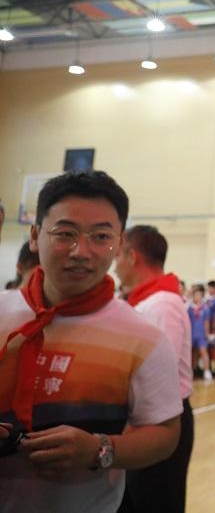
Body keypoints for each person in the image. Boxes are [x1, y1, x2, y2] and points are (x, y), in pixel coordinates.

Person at [0, 171, 182, 513]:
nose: (81, 251)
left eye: (101, 237)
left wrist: (101, 450)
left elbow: (165, 434)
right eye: (65, 233)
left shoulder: (143, 337)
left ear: (120, 244)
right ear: (35, 236)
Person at [113, 224, 194, 513]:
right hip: (145, 416)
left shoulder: (162, 304)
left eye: (117, 256)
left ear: (132, 256)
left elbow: (160, 372)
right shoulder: (146, 301)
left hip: (159, 418)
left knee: (155, 500)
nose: (115, 266)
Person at [188, 285, 212, 380]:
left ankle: (207, 371)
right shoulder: (189, 308)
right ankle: (191, 370)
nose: (198, 297)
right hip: (191, 333)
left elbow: (207, 321)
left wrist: (207, 333)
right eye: (196, 295)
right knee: (192, 353)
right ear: (193, 296)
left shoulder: (205, 308)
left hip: (201, 333)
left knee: (203, 351)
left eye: (200, 295)